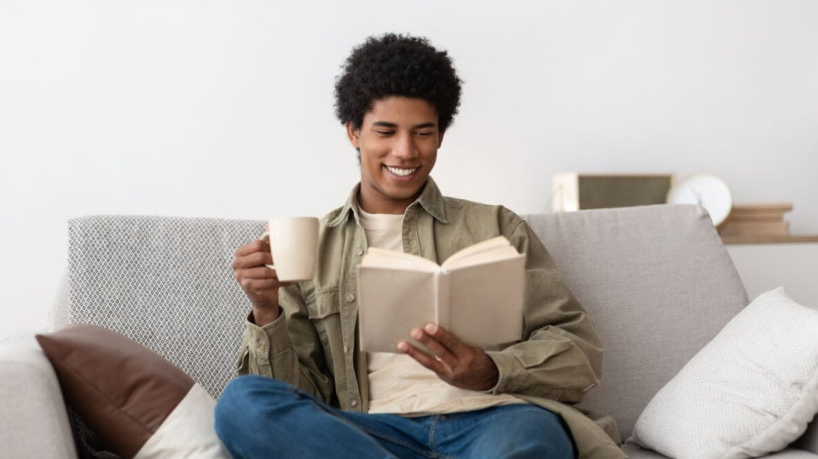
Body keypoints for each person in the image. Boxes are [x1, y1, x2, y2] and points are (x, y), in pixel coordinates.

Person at [215, 33, 625, 459]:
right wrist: (266, 310)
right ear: (354, 132)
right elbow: (295, 397)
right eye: (386, 131)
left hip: (492, 422)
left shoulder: (497, 227)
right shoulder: (311, 247)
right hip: (370, 433)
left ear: (441, 135)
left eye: (423, 132)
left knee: (532, 432)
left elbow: (578, 348)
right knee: (242, 403)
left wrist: (491, 370)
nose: (406, 151)